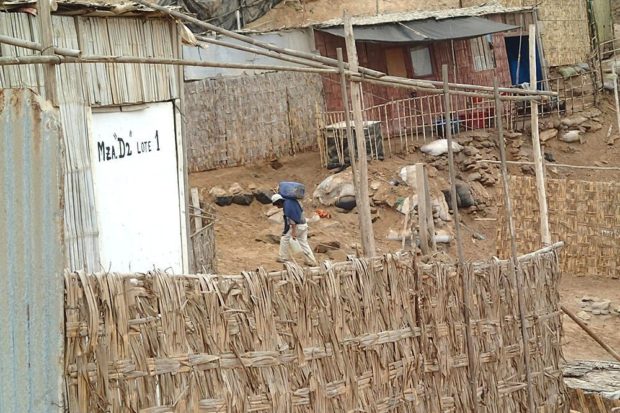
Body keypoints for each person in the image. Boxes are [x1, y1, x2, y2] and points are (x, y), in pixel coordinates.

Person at [271, 193, 317, 266]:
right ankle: (311, 261)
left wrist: (293, 232)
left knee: (284, 238)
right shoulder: (292, 202)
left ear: (279, 202)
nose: (277, 206)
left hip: (297, 226)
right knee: (304, 243)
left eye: (276, 204)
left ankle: (283, 257)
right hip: (304, 224)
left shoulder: (287, 207)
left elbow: (292, 221)